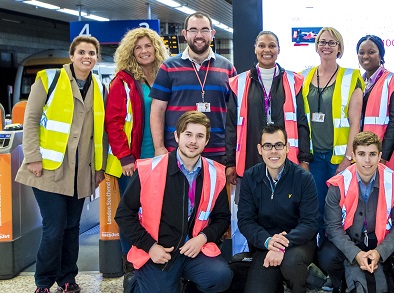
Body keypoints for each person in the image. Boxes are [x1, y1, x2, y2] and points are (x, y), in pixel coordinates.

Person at [15, 35, 107, 293]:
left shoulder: (99, 87)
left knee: (71, 227)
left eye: (91, 53)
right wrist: (32, 157)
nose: (87, 57)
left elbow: (101, 132)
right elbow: (30, 121)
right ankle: (43, 282)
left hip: (81, 172)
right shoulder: (48, 80)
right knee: (54, 227)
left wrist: (99, 167)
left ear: (96, 57)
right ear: (72, 55)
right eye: (81, 52)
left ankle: (67, 278)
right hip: (48, 169)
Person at [115, 111, 232, 293]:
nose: (193, 141)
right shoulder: (149, 170)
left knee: (220, 277)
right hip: (159, 250)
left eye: (200, 136)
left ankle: (185, 284)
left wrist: (202, 238)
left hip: (194, 250)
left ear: (206, 141)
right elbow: (123, 214)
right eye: (188, 134)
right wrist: (150, 246)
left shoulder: (215, 173)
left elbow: (222, 218)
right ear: (177, 136)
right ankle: (136, 284)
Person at [105, 27, 170, 285]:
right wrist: (124, 158)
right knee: (130, 213)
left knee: (158, 213)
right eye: (138, 47)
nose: (144, 51)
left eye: (148, 46)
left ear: (156, 48)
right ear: (130, 52)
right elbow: (114, 122)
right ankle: (131, 266)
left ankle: (155, 262)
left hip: (161, 158)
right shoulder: (122, 81)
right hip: (134, 162)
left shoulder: (165, 75)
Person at [319, 131, 394, 293]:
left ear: (380, 156)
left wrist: (380, 252)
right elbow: (332, 227)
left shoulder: (393, 181)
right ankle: (341, 284)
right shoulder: (338, 184)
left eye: (372, 154)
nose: (367, 160)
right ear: (353, 156)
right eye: (361, 154)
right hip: (351, 239)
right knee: (326, 255)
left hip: (381, 239)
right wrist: (356, 254)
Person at [237, 124, 319, 293]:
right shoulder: (249, 177)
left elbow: (310, 223)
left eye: (278, 145)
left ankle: (301, 287)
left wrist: (282, 244)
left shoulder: (304, 178)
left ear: (287, 148)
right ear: (260, 149)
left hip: (298, 243)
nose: (273, 151)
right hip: (265, 244)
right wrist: (268, 241)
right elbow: (245, 221)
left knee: (291, 262)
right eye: (268, 146)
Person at [149, 11, 237, 167]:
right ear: (184, 33)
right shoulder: (168, 67)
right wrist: (159, 147)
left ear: (212, 33)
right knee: (178, 192)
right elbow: (157, 110)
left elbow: (234, 114)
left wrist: (232, 154)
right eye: (193, 30)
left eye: (204, 30)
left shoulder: (228, 68)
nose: (199, 35)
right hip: (177, 151)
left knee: (215, 193)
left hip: (217, 152)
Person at [301, 27, 364, 240]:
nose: (326, 46)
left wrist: (348, 158)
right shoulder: (304, 76)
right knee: (315, 210)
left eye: (332, 42)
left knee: (338, 210)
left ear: (339, 48)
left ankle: (337, 258)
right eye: (322, 42)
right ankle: (317, 258)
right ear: (316, 46)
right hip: (313, 157)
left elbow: (356, 122)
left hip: (338, 158)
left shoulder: (351, 76)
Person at [227, 30, 312, 185]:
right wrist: (230, 162)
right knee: (252, 205)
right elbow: (231, 125)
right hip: (251, 157)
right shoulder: (238, 83)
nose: (267, 50)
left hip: (285, 158)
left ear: (279, 50)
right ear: (255, 49)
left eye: (272, 46)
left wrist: (304, 159)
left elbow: (301, 124)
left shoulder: (294, 81)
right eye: (262, 46)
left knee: (284, 206)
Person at [356, 34, 394, 171]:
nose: (365, 56)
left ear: (381, 54)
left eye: (371, 52)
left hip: (386, 158)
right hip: (363, 157)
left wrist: (382, 156)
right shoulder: (358, 83)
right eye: (361, 53)